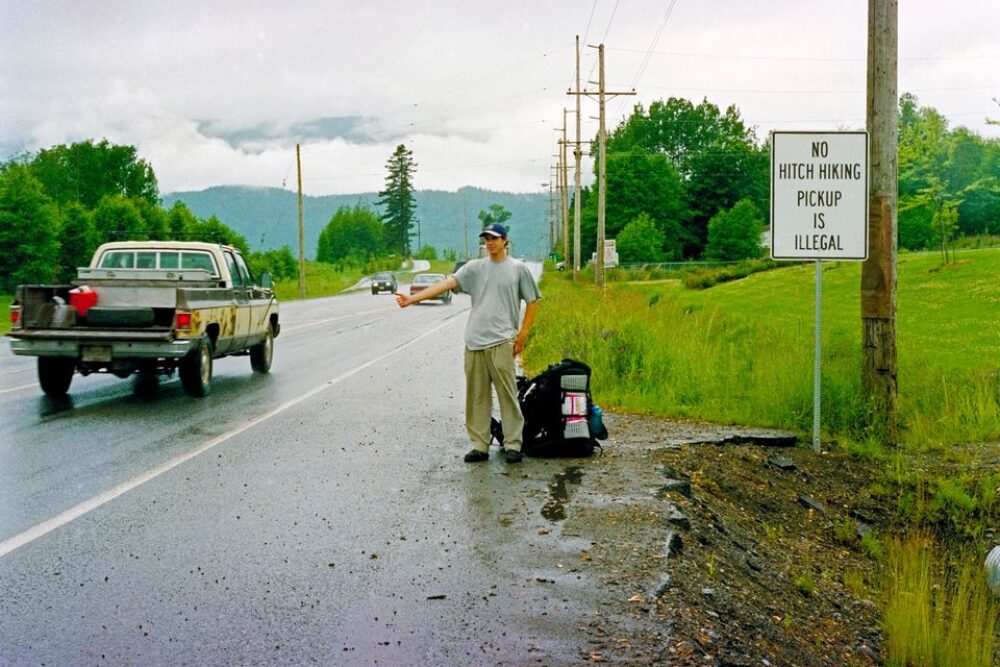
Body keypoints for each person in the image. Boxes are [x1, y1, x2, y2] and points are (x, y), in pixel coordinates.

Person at [395, 222, 541, 464]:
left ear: (505, 240)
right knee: (477, 396)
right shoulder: (474, 268)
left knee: (507, 395)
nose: (490, 243)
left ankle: (513, 444)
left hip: (502, 341)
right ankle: (479, 445)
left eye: (494, 238)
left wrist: (522, 335)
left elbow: (533, 301)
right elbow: (446, 284)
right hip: (474, 342)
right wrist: (412, 298)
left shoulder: (518, 269)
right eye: (486, 239)